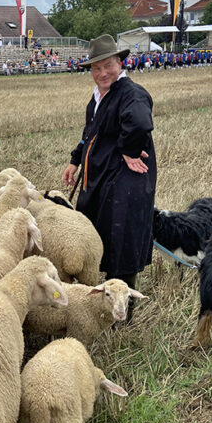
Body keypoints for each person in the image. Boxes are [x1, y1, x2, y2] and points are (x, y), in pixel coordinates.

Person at [62, 34, 157, 322]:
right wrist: (75, 160)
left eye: (108, 66)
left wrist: (130, 150)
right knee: (96, 236)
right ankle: (96, 303)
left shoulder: (131, 93)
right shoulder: (97, 98)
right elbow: (90, 133)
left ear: (120, 63)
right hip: (101, 179)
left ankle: (123, 316)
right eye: (96, 68)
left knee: (121, 240)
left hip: (125, 182)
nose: (102, 73)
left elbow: (140, 122)